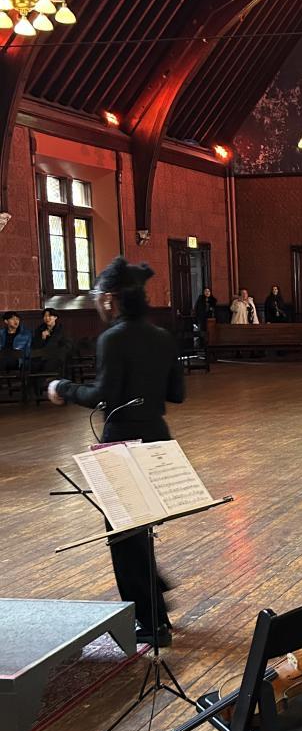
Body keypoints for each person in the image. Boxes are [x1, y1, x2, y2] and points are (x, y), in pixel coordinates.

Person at [47, 259, 185, 647]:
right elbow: (176, 394)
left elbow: (101, 395)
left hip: (123, 443)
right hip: (157, 440)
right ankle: (156, 605)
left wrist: (63, 388)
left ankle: (151, 623)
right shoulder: (162, 336)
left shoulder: (113, 338)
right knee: (139, 532)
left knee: (124, 541)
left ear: (109, 299)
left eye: (97, 297)